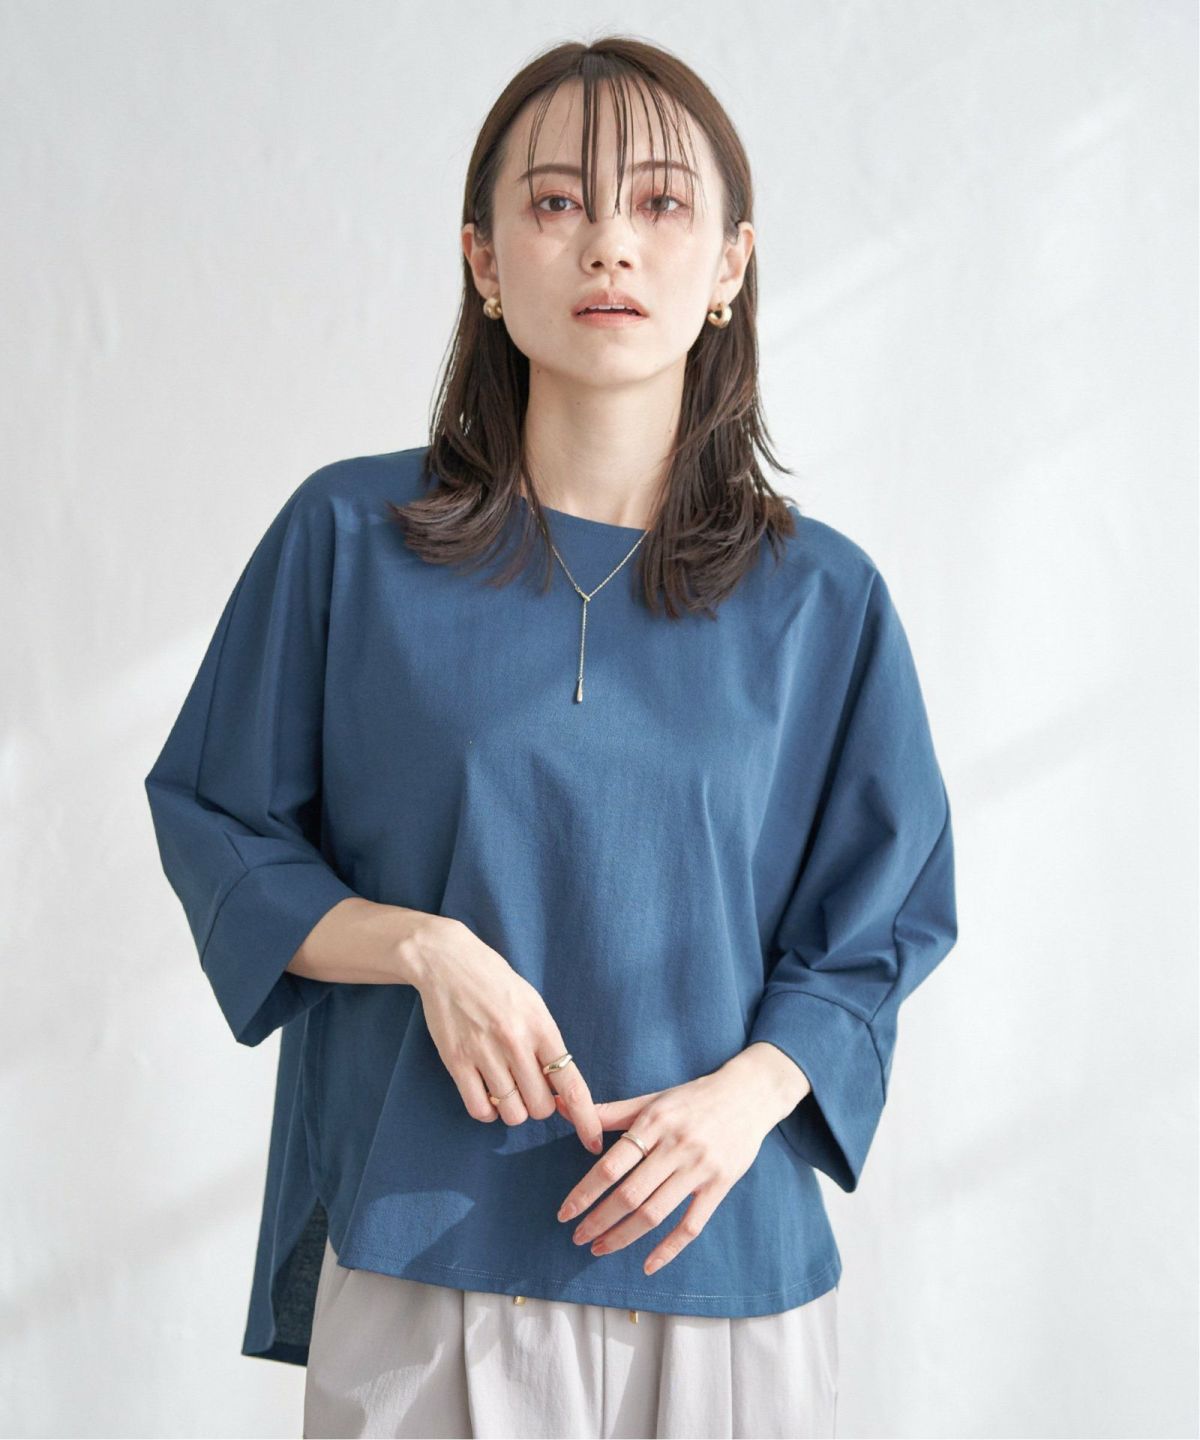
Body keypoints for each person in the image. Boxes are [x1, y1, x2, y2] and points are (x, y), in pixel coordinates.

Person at [143, 33, 958, 1440]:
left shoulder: (824, 600)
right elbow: (219, 823)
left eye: (660, 204)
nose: (609, 246)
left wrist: (745, 1098)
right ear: (483, 257)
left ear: (730, 266)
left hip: (720, 1260)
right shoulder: (350, 541)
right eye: (557, 201)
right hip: (426, 1252)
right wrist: (424, 949)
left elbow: (881, 923)